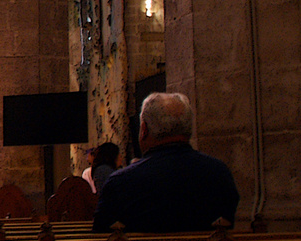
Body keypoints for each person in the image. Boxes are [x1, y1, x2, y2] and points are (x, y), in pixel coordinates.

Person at [93, 93, 239, 233]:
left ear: (143, 130)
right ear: (188, 130)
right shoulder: (219, 174)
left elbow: (102, 235)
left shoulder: (120, 183)